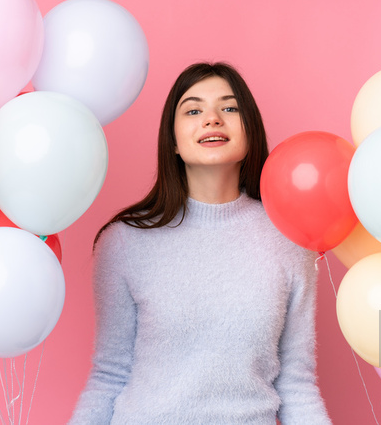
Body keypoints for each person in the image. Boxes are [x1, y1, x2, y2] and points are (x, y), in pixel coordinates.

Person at [69, 62, 332, 424]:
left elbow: (297, 385)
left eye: (229, 108)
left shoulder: (289, 237)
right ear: (173, 142)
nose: (212, 119)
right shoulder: (125, 242)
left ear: (250, 131)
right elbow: (110, 377)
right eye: (194, 110)